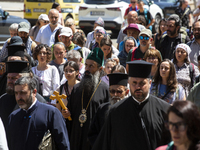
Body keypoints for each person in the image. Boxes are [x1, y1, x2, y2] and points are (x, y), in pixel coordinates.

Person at [92, 60, 171, 150]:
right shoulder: (116, 111)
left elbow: (171, 144)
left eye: (142, 83)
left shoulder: (164, 110)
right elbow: (104, 143)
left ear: (149, 83)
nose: (138, 87)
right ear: (129, 83)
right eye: (134, 83)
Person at [6, 77, 70, 150]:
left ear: (34, 92)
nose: (18, 97)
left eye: (23, 93)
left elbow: (63, 144)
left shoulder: (51, 113)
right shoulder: (13, 117)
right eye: (16, 93)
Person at [66, 48, 109, 150]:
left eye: (91, 66)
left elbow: (106, 119)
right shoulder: (77, 88)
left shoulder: (105, 90)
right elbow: (69, 113)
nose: (87, 69)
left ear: (100, 69)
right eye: (86, 65)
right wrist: (66, 113)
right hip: (76, 137)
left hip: (93, 140)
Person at [0, 60, 46, 128]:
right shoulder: (2, 100)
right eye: (8, 78)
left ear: (23, 79)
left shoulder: (38, 101)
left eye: (13, 78)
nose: (9, 81)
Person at [88, 73, 129, 145]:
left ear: (126, 92)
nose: (115, 95)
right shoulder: (102, 109)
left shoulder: (131, 110)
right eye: (112, 91)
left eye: (119, 92)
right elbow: (92, 134)